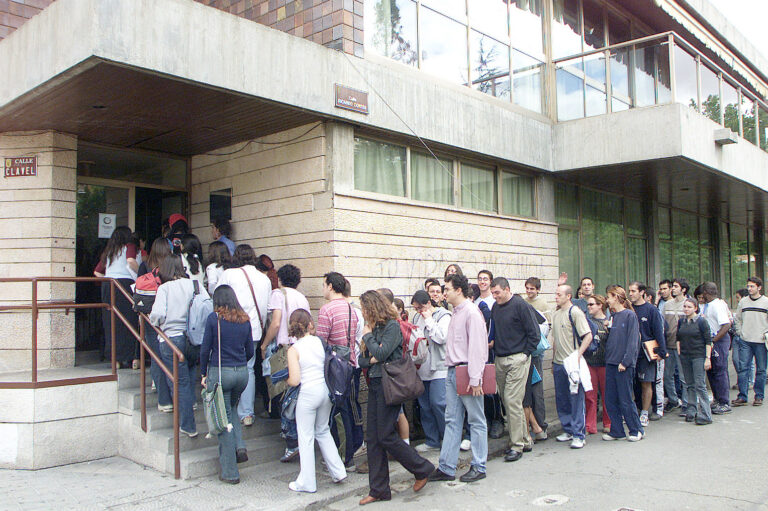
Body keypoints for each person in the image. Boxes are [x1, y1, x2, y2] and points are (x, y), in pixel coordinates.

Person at [358, 291, 434, 505]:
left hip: (389, 385)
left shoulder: (392, 326)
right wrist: (373, 353)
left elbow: (381, 355)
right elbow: (363, 360)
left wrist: (369, 340)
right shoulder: (374, 328)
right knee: (373, 439)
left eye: (364, 307)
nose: (362, 312)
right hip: (374, 384)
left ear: (372, 307)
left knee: (385, 435)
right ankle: (379, 489)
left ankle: (422, 468)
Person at [429, 273, 489, 483]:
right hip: (453, 371)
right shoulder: (455, 311)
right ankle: (446, 467)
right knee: (452, 419)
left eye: (446, 288)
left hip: (467, 371)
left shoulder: (471, 312)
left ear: (458, 290)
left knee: (476, 420)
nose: (444, 293)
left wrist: (475, 379)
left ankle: (479, 465)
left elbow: (477, 348)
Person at [286, 309, 347, 492]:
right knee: (322, 430)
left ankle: (307, 482)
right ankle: (338, 471)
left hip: (307, 394)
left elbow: (295, 380)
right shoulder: (319, 342)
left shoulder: (293, 349)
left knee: (305, 436)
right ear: (309, 324)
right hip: (325, 391)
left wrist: (285, 381)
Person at [200, 285, 254, 483]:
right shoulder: (244, 319)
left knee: (222, 420)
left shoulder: (214, 319)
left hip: (221, 374)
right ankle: (239, 447)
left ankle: (230, 472)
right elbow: (250, 350)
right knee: (231, 410)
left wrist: (203, 373)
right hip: (241, 373)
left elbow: (205, 349)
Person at [217, 244, 271, 426]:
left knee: (226, 366)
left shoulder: (229, 274)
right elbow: (267, 308)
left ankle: (226, 408)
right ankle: (246, 413)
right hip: (255, 330)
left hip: (230, 327)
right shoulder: (264, 279)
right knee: (248, 368)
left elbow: (217, 298)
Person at [261, 264, 310, 462]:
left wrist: (264, 344)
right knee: (295, 393)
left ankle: (290, 440)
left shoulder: (277, 294)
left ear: (280, 278)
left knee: (282, 394)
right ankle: (296, 436)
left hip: (282, 349)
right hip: (300, 347)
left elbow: (275, 322)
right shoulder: (302, 297)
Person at [149, 256, 201, 438]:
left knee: (180, 383)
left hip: (172, 340)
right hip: (194, 340)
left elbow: (157, 315)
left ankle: (188, 425)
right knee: (190, 374)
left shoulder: (164, 288)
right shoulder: (195, 285)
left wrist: (152, 320)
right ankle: (191, 403)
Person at [488, 277, 539, 461]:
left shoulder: (520, 305)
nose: (495, 297)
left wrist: (525, 354)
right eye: (493, 293)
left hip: (518, 358)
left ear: (507, 289)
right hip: (500, 358)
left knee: (512, 400)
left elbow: (535, 333)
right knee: (507, 400)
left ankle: (516, 445)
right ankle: (525, 440)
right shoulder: (495, 307)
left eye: (497, 293)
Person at [316, 272, 362, 470]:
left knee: (337, 412)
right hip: (350, 364)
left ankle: (343, 456)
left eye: (324, 285)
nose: (323, 289)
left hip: (335, 367)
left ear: (331, 287)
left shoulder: (327, 310)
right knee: (348, 409)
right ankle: (349, 452)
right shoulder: (352, 309)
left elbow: (321, 341)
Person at [550, 284, 593, 449]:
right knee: (562, 398)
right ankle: (567, 429)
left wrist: (578, 355)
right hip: (559, 363)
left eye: (559, 294)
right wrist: (554, 360)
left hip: (572, 364)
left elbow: (587, 335)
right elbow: (555, 339)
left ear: (568, 296)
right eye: (556, 293)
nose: (556, 296)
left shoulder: (574, 312)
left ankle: (578, 434)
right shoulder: (556, 314)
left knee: (576, 398)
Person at [411, 290, 451, 453]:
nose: (419, 311)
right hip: (422, 367)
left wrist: (429, 319)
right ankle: (432, 439)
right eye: (416, 309)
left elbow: (441, 337)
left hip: (439, 367)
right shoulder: (416, 318)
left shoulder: (443, 316)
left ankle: (447, 438)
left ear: (428, 303)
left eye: (420, 308)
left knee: (438, 403)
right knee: (425, 406)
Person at [93, 226, 139, 368]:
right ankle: (133, 358)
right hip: (124, 285)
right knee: (130, 321)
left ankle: (115, 359)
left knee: (111, 323)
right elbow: (131, 260)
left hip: (109, 286)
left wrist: (108, 279)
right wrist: (141, 273)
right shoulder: (129, 246)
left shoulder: (109, 251)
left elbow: (97, 272)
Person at [602, 286, 644, 442]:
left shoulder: (629, 316)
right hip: (611, 362)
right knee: (610, 399)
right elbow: (613, 340)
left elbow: (633, 341)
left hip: (623, 364)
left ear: (616, 297)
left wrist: (625, 361)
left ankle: (636, 429)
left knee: (625, 398)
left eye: (609, 297)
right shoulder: (613, 316)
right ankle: (617, 430)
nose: (607, 300)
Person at [137, 238, 173, 412]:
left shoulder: (144, 266)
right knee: (170, 358)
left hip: (151, 316)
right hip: (171, 316)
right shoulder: (172, 268)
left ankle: (164, 399)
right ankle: (175, 398)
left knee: (156, 358)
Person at [628, 281, 666, 425]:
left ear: (642, 292)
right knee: (634, 384)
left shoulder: (651, 310)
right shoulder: (629, 309)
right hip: (631, 353)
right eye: (629, 291)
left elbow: (658, 331)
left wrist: (661, 351)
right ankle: (636, 409)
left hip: (646, 353)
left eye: (633, 291)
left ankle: (645, 412)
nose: (630, 294)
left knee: (646, 383)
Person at [676, 298, 713, 425]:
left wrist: (707, 358)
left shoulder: (701, 322)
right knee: (689, 384)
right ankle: (691, 409)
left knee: (699, 384)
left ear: (695, 308)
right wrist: (680, 351)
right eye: (685, 306)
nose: (686, 309)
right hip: (685, 356)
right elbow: (678, 337)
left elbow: (708, 341)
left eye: (689, 307)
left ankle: (706, 414)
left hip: (698, 355)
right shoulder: (681, 321)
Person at [522, 276, 550, 441]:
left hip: (536, 354)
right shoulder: (523, 302)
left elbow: (546, 328)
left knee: (536, 389)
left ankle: (541, 424)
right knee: (527, 393)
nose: (530, 291)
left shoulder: (543, 305)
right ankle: (533, 426)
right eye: (527, 288)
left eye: (533, 288)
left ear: (538, 289)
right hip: (526, 353)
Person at [732, 277, 768, 407]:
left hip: (761, 341)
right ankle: (742, 396)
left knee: (761, 369)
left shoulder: (766, 302)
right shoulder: (743, 302)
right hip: (746, 340)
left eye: (752, 286)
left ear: (759, 287)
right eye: (748, 286)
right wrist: (740, 333)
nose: (749, 289)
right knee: (743, 368)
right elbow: (738, 319)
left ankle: (759, 396)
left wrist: (766, 334)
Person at [700, 282, 732, 414]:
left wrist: (714, 340)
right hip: (710, 341)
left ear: (707, 292)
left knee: (719, 371)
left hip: (718, 340)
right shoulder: (708, 305)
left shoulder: (717, 305)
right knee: (711, 372)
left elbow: (726, 325)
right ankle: (717, 399)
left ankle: (724, 402)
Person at [585, 294, 611, 435]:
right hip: (590, 362)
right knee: (590, 395)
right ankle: (590, 425)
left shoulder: (608, 322)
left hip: (605, 363)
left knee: (607, 395)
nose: (589, 307)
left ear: (600, 305)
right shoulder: (587, 322)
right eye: (588, 304)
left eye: (592, 304)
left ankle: (608, 422)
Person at [662, 278, 689, 412]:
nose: (673, 289)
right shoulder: (667, 305)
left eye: (676, 286)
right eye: (672, 286)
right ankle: (673, 400)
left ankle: (686, 403)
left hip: (683, 345)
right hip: (668, 344)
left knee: (684, 377)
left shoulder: (688, 304)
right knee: (667, 375)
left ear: (683, 289)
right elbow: (663, 323)